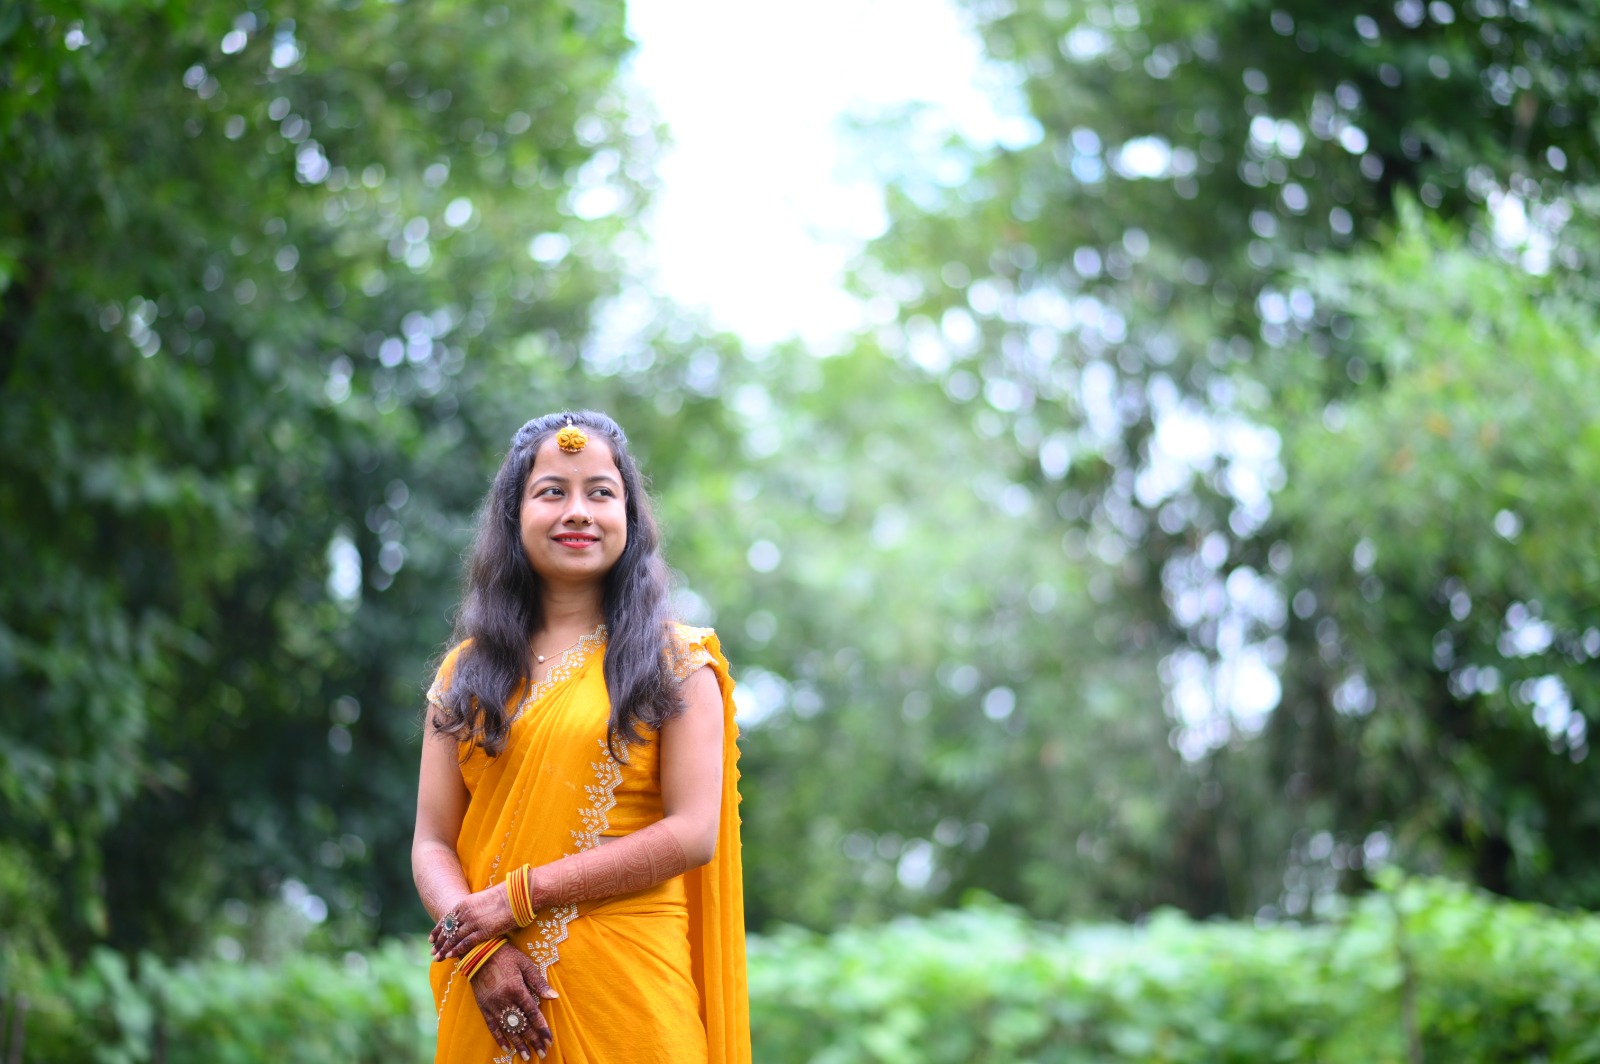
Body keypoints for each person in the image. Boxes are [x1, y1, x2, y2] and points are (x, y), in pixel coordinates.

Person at [412, 410, 750, 1063]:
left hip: (630, 1002)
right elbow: (432, 841)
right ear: (514, 515)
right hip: (492, 998)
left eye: (600, 492)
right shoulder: (465, 674)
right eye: (551, 492)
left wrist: (519, 898)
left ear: (630, 516)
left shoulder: (675, 662)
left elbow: (692, 832)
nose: (578, 512)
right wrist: (479, 951)